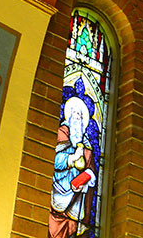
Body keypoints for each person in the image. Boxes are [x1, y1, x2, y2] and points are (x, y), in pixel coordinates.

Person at [50, 94, 96, 238]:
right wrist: (72, 158)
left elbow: (91, 168)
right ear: (69, 116)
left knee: (74, 227)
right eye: (75, 114)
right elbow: (56, 160)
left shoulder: (86, 144)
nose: (78, 118)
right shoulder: (62, 133)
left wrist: (89, 178)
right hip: (59, 191)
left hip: (77, 198)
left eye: (80, 116)